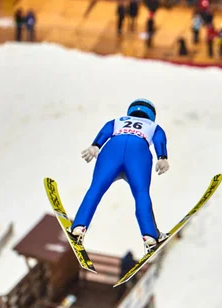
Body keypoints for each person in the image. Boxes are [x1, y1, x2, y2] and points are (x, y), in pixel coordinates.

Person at [69, 99, 171, 253]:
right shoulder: (154, 126)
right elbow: (159, 140)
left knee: (95, 189)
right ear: (151, 115)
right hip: (138, 152)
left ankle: (79, 226)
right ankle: (150, 236)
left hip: (112, 150)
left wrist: (95, 145)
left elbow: (105, 131)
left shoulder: (118, 120)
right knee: (141, 195)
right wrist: (162, 157)